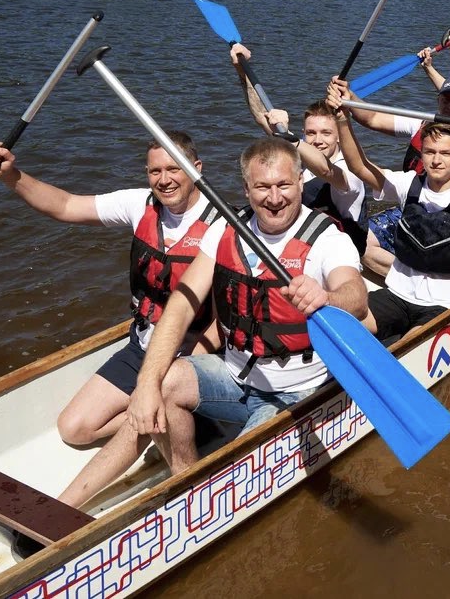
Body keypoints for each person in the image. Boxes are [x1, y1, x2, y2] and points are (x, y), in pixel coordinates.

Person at [61, 138, 370, 507]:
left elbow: (356, 295)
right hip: (235, 378)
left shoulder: (327, 240)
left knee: (236, 473)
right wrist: (146, 383)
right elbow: (180, 304)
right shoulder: (226, 229)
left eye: (283, 185)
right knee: (163, 380)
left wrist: (328, 298)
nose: (274, 198)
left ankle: (216, 495)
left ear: (300, 182)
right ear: (246, 189)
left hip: (295, 392)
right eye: (262, 187)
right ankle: (179, 487)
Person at [0, 134, 220, 449]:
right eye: (154, 171)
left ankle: (177, 411)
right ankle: (153, 418)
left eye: (174, 169)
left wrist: (174, 374)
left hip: (192, 355)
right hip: (142, 347)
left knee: (164, 394)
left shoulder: (223, 224)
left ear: (196, 168)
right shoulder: (140, 203)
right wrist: (12, 176)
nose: (163, 180)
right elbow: (66, 205)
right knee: (73, 428)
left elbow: (225, 322)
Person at [327, 77, 450, 341]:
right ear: (421, 153)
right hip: (396, 293)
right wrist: (343, 119)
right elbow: (360, 167)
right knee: (341, 326)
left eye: (445, 154)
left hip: (441, 304)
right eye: (430, 152)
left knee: (409, 342)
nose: (436, 160)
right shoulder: (408, 183)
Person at [228, 43, 369, 257]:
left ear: (339, 137)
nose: (318, 140)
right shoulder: (300, 148)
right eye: (311, 133)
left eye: (326, 133)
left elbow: (326, 170)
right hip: (303, 244)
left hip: (336, 255)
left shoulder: (350, 171)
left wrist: (292, 140)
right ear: (304, 133)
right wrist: (242, 71)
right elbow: (261, 116)